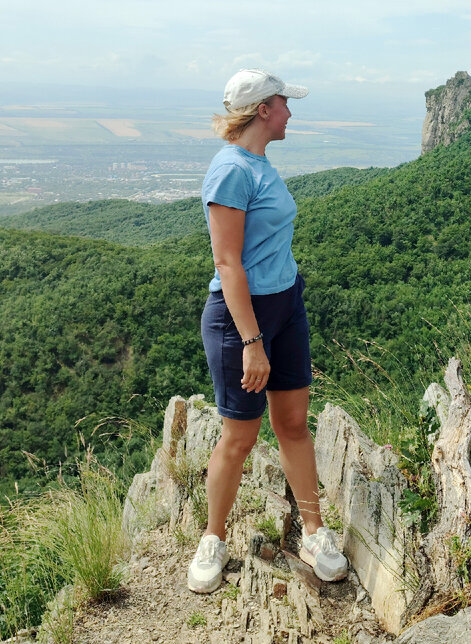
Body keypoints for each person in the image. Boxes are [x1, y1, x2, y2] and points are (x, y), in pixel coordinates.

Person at [187, 68, 349, 595]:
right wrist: (253, 342)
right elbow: (227, 263)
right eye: (283, 103)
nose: (289, 112)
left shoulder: (258, 162)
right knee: (240, 434)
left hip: (285, 307)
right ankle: (213, 539)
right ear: (263, 110)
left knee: (295, 424)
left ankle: (314, 532)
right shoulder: (231, 171)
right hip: (243, 321)